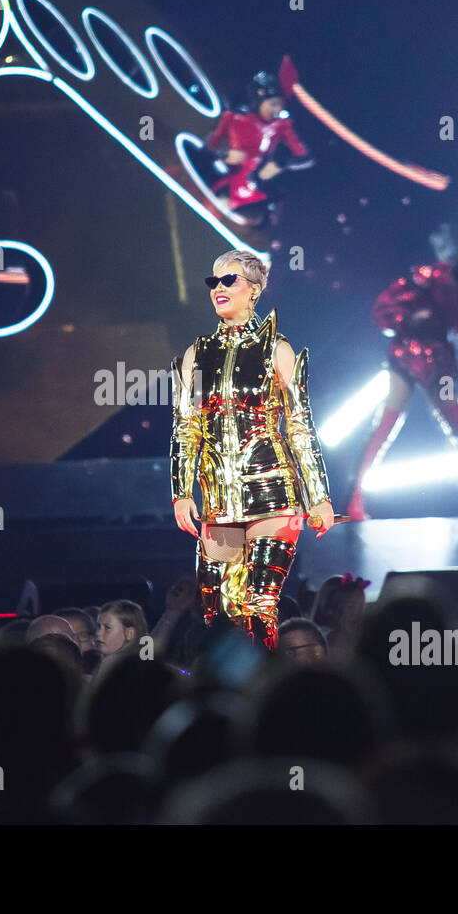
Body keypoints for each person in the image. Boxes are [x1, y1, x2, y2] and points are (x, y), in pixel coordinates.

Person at [170, 249, 334, 651]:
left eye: (230, 281)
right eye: (214, 282)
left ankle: (268, 700)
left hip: (273, 492)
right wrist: (181, 492)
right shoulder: (197, 355)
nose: (219, 289)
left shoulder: (276, 349)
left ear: (254, 291)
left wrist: (319, 496)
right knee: (217, 610)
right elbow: (185, 429)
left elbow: (299, 425)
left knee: (258, 605)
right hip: (219, 498)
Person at [346, 249, 458, 521]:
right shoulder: (429, 278)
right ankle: (354, 498)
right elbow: (385, 309)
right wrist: (410, 319)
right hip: (408, 354)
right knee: (385, 426)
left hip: (438, 360)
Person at [205, 70, 313, 227]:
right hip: (228, 176)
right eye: (272, 104)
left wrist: (279, 165)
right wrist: (224, 153)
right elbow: (210, 145)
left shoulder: (282, 125)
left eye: (279, 104)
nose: (276, 109)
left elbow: (305, 157)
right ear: (258, 100)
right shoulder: (234, 116)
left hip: (255, 183)